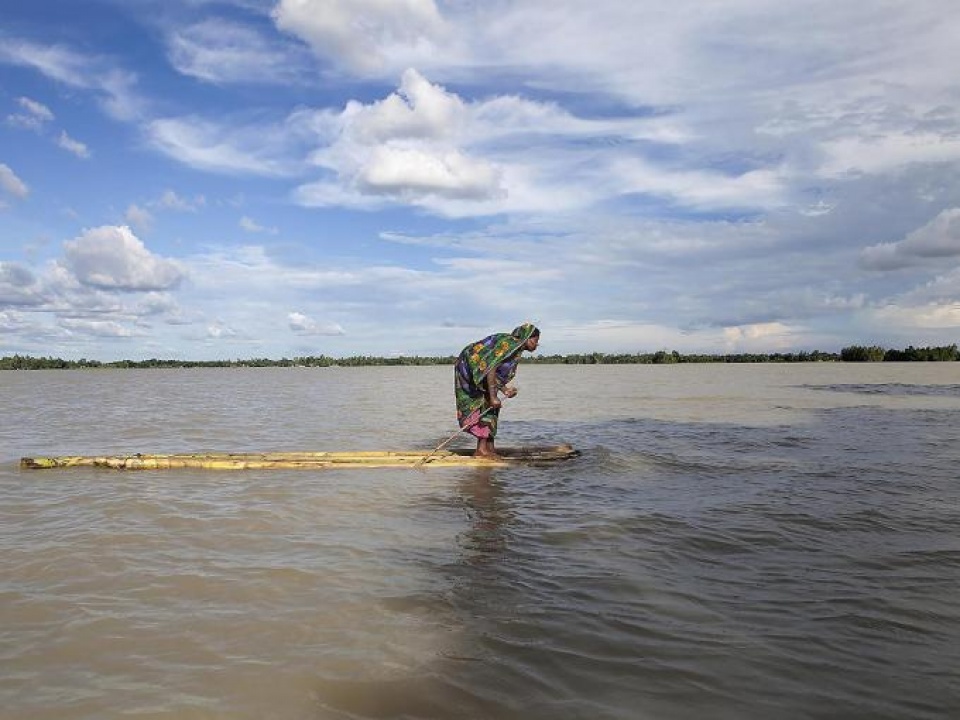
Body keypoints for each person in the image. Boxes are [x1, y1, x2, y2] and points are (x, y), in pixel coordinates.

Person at [454, 323, 540, 457]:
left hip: (482, 371)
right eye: (535, 341)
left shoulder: (515, 349)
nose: (537, 345)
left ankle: (489, 448)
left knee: (493, 406)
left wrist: (505, 390)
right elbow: (491, 367)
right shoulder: (510, 344)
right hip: (469, 367)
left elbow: (496, 374)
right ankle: (481, 450)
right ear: (527, 337)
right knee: (487, 403)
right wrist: (493, 397)